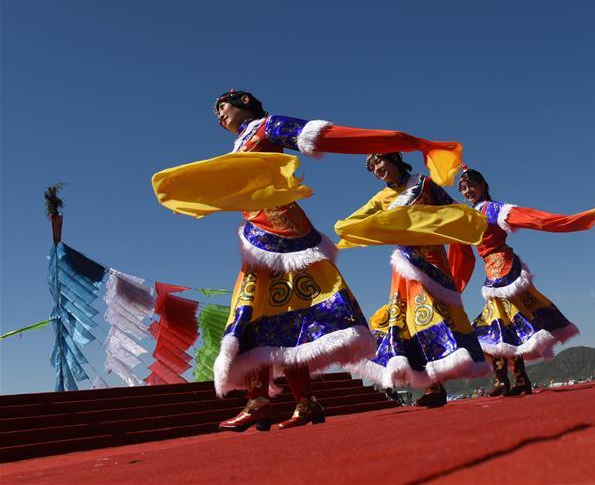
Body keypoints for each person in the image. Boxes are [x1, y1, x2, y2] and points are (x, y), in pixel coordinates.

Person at [154, 89, 473, 431]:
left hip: (284, 234)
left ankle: (261, 400)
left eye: (222, 107)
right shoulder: (242, 144)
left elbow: (323, 135)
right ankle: (303, 402)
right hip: (259, 233)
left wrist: (398, 140)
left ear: (244, 103)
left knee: (253, 310)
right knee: (278, 317)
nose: (219, 116)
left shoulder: (268, 126)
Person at [456, 169, 595, 396]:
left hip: (502, 269)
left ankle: (503, 380)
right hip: (492, 270)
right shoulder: (470, 214)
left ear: (483, 185)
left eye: (471, 186)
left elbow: (538, 220)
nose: (468, 191)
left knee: (496, 325)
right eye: (464, 189)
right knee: (504, 326)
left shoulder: (493, 209)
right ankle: (517, 379)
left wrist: (588, 216)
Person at [335, 153, 489, 408]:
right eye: (372, 167)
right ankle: (431, 384)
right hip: (406, 264)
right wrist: (372, 228)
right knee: (413, 317)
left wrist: (469, 223)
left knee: (437, 314)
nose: (377, 169)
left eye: (379, 162)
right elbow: (352, 221)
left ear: (394, 159)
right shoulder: (380, 199)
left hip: (434, 260)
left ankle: (436, 381)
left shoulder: (425, 184)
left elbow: (451, 210)